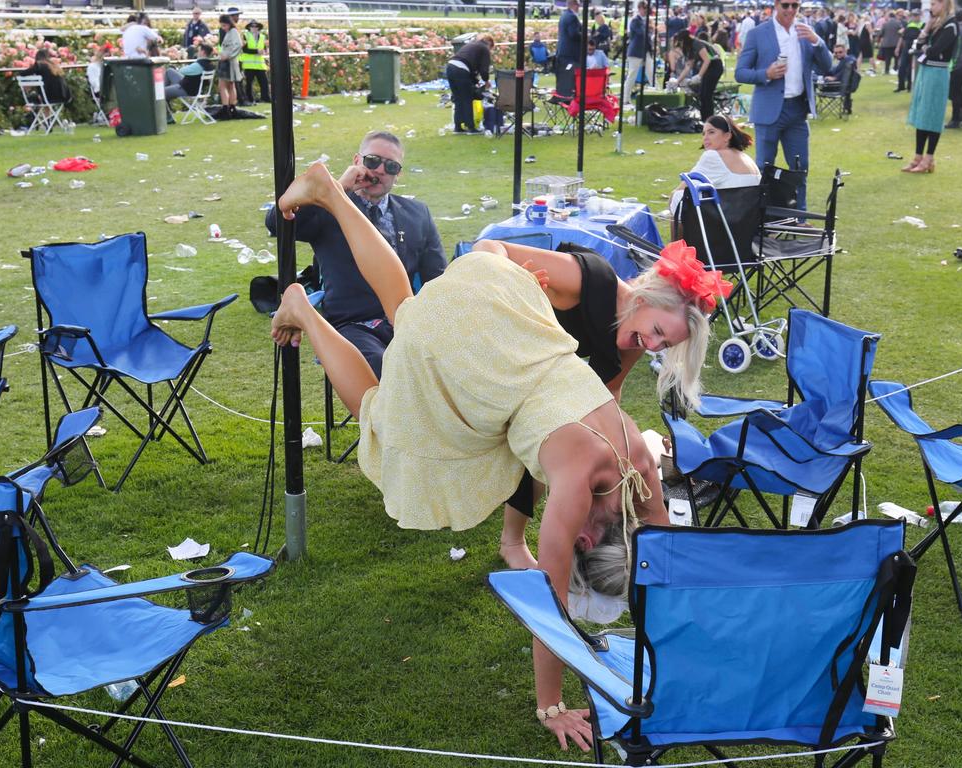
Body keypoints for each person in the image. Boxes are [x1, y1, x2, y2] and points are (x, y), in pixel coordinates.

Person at [270, 162, 674, 752]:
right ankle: (306, 310)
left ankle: (330, 191)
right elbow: (553, 613)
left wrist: (669, 613)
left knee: (403, 304)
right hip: (487, 366)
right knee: (380, 418)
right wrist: (550, 706)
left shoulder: (640, 463)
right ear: (590, 542)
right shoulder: (571, 493)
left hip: (509, 318)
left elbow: (661, 534)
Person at [484, 232, 723, 572]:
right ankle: (520, 547)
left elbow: (606, 392)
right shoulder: (589, 277)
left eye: (665, 343)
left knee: (556, 443)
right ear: (643, 300)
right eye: (656, 329)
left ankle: (514, 542)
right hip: (492, 351)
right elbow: (491, 249)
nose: (654, 345)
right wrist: (506, 281)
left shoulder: (636, 341)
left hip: (530, 383)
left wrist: (616, 441)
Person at [265, 131, 445, 378]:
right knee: (391, 374)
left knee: (445, 367)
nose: (380, 170)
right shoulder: (330, 207)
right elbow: (277, 223)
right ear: (357, 161)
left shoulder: (416, 213)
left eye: (391, 166)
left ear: (397, 174)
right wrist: (338, 188)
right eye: (372, 161)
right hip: (352, 325)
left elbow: (436, 278)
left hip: (405, 320)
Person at [736, 0, 832, 211]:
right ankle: (761, 219)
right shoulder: (758, 33)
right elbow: (740, 72)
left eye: (795, 6)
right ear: (776, 5)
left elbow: (828, 66)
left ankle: (799, 217)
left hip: (797, 110)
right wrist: (766, 74)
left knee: (800, 168)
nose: (790, 10)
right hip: (768, 112)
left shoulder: (806, 32)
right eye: (786, 5)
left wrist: (818, 41)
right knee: (764, 168)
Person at [904, 0, 958, 174]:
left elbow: (934, 50)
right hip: (926, 71)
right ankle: (918, 157)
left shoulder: (951, 25)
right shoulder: (934, 23)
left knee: (933, 114)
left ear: (944, 4)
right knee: (922, 113)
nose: (931, 7)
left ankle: (929, 158)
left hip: (938, 73)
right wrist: (926, 29)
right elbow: (919, 46)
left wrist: (925, 47)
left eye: (934, 3)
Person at [669, 115, 761, 214]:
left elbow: (683, 187)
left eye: (711, 132)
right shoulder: (746, 158)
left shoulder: (713, 156)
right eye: (703, 134)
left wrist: (671, 201)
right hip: (749, 219)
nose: (705, 138)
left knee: (678, 197)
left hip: (728, 219)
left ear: (727, 136)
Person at [446, 34, 493, 134]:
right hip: (461, 69)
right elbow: (484, 69)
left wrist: (476, 82)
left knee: (458, 98)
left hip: (450, 66)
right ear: (489, 44)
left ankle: (458, 127)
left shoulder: (472, 45)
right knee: (467, 98)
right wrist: (486, 81)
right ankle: (471, 127)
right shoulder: (484, 49)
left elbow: (471, 68)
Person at [674, 29, 724, 119]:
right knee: (702, 94)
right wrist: (677, 81)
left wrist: (699, 76)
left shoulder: (697, 43)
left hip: (715, 66)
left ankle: (709, 118)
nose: (680, 45)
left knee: (706, 94)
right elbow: (688, 66)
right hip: (708, 67)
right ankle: (704, 117)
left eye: (680, 42)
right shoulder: (689, 48)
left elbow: (707, 59)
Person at [163, 42, 214, 114]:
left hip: (186, 89)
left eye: (199, 51)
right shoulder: (209, 64)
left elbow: (182, 71)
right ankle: (167, 100)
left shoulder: (198, 65)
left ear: (203, 52)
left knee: (160, 92)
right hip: (191, 86)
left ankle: (167, 113)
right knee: (169, 71)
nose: (197, 53)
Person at [624, 0, 650, 105]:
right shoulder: (635, 20)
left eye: (647, 9)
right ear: (639, 8)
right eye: (644, 8)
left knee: (651, 72)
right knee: (632, 75)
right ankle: (625, 98)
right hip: (635, 52)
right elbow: (640, 33)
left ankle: (658, 94)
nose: (646, 11)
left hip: (644, 52)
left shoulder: (643, 21)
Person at [216, 14, 242, 119]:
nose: (223, 28)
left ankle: (226, 108)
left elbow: (239, 45)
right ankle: (232, 107)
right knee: (231, 86)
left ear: (228, 24)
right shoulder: (231, 32)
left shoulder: (232, 32)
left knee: (222, 86)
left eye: (224, 25)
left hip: (228, 62)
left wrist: (227, 56)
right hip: (231, 62)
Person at [240, 20, 270, 104]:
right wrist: (256, 51)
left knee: (264, 82)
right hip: (248, 64)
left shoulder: (262, 37)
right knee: (249, 84)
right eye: (252, 26)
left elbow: (263, 48)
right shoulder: (245, 36)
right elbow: (244, 49)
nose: (254, 28)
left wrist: (265, 50)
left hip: (259, 64)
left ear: (258, 27)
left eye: (256, 26)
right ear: (249, 27)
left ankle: (265, 98)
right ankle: (250, 99)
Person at [556, 0, 583, 96]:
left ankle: (564, 95)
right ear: (575, 5)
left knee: (565, 77)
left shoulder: (564, 15)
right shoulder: (572, 17)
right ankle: (570, 96)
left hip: (563, 51)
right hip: (571, 52)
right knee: (571, 77)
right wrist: (585, 35)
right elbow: (574, 34)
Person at [894, 9, 924, 92]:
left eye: (916, 15)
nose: (915, 17)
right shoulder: (908, 25)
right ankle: (901, 86)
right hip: (906, 47)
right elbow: (902, 37)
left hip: (916, 48)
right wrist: (897, 47)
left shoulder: (923, 25)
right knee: (902, 67)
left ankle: (909, 87)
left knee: (912, 68)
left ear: (920, 16)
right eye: (913, 15)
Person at [825, 43, 857, 114]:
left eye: (840, 52)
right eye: (836, 53)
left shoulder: (849, 60)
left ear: (845, 51)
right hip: (841, 86)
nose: (838, 54)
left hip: (837, 86)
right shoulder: (843, 61)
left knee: (814, 85)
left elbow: (846, 70)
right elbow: (832, 71)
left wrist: (834, 78)